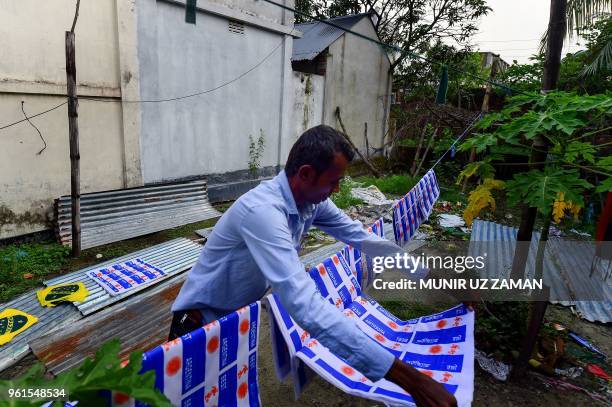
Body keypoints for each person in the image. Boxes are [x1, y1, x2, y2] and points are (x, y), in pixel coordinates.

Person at [170, 125, 457, 407]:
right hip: (198, 324)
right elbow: (304, 304)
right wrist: (410, 380)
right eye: (334, 181)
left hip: (235, 321)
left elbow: (361, 238)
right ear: (305, 174)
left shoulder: (309, 202)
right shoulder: (263, 213)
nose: (337, 189)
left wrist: (428, 274)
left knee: (224, 394)